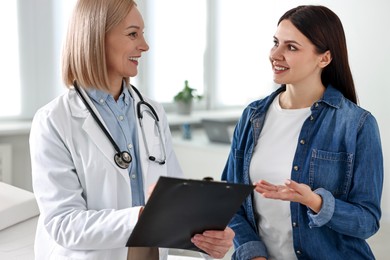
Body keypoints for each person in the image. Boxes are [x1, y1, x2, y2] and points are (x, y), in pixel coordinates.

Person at [29, 0, 234, 259]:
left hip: (151, 252)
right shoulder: (53, 120)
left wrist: (209, 236)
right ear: (96, 38)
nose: (145, 46)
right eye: (132, 34)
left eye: (143, 33)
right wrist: (140, 216)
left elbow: (176, 198)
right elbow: (64, 223)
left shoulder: (153, 112)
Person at [222, 5, 383, 260]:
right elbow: (229, 200)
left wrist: (316, 203)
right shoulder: (253, 117)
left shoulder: (357, 125)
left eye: (291, 47)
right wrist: (254, 255)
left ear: (324, 58)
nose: (275, 54)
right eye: (276, 42)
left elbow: (367, 221)